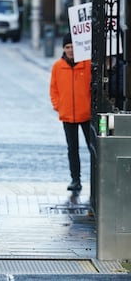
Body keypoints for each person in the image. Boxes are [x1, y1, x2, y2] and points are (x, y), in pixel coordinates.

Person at [49, 33, 92, 191]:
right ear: (63, 49)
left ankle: (96, 179)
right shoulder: (57, 66)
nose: (71, 50)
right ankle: (75, 179)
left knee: (93, 148)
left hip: (86, 115)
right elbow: (53, 89)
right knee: (72, 149)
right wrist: (58, 106)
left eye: (73, 47)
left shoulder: (87, 64)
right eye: (67, 47)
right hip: (67, 115)